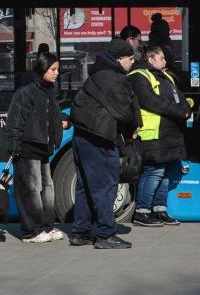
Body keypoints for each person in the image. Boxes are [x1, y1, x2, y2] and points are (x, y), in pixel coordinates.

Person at [69, 38, 141, 249]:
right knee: (105, 186)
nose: (133, 62)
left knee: (84, 186)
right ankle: (105, 234)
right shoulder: (114, 78)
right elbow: (125, 112)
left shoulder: (98, 74)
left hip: (82, 135)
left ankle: (80, 232)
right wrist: (132, 131)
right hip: (99, 137)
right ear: (119, 59)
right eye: (130, 58)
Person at [6, 51, 69, 243]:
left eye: (57, 69)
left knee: (46, 189)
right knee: (31, 189)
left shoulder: (49, 90)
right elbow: (15, 121)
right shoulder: (27, 91)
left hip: (43, 146)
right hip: (27, 147)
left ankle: (46, 227)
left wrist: (63, 122)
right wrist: (14, 146)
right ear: (42, 69)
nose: (57, 73)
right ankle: (31, 232)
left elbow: (50, 116)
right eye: (53, 69)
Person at [128, 45, 191, 227]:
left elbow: (181, 97)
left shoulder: (167, 76)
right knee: (154, 172)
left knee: (166, 173)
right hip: (153, 133)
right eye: (161, 58)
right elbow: (151, 102)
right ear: (150, 59)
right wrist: (179, 112)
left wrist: (185, 109)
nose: (165, 61)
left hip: (169, 133)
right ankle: (142, 211)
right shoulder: (139, 76)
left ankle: (159, 209)